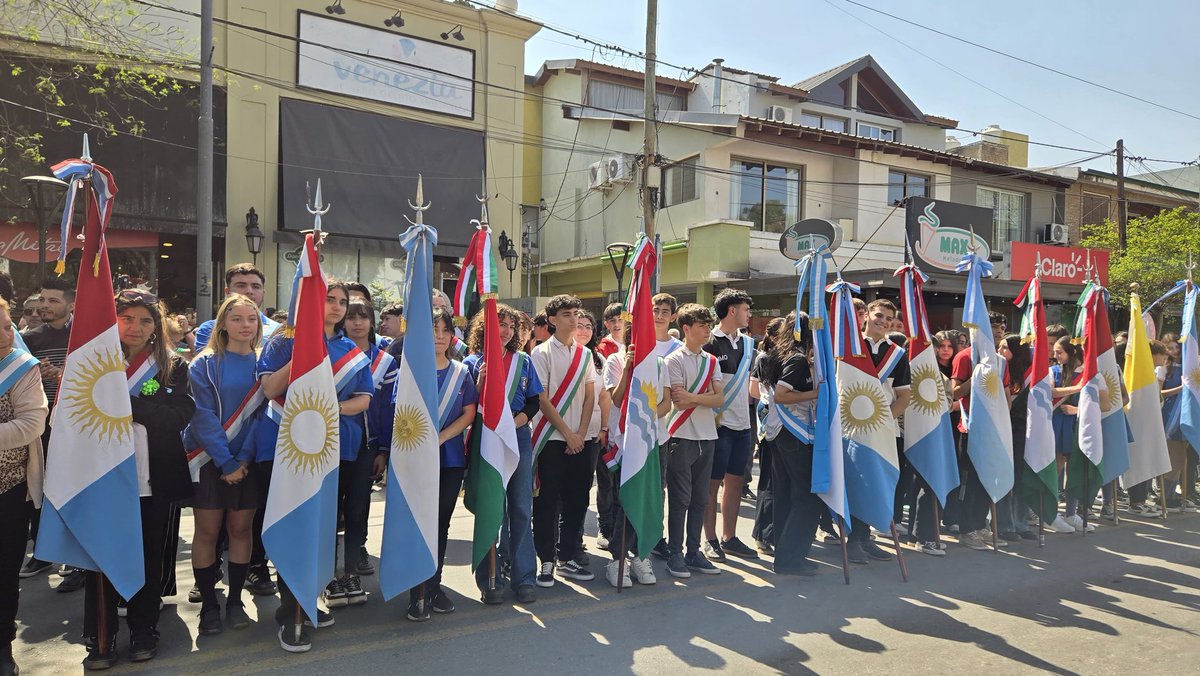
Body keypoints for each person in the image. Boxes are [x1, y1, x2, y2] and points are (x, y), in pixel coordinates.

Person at [256, 279, 372, 652]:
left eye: (342, 301)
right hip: (284, 450)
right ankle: (291, 611)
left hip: (330, 450)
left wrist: (329, 409)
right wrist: (304, 353)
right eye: (329, 299)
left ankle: (306, 598)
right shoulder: (282, 341)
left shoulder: (348, 349)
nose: (337, 307)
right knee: (292, 524)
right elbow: (269, 389)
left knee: (321, 529)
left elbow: (364, 399)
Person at [84, 290, 195, 668]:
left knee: (148, 556)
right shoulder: (93, 362)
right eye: (127, 318)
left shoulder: (173, 367)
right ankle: (99, 637)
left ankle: (144, 629)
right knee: (100, 557)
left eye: (145, 321)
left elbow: (178, 417)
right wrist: (148, 409)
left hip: (152, 478)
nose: (136, 327)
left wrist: (122, 402)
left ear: (157, 327)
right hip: (100, 476)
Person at [183, 294, 264, 636]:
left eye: (252, 319)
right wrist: (226, 461)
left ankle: (234, 600)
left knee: (241, 531)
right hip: (209, 459)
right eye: (237, 319)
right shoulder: (203, 365)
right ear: (222, 324)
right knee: (207, 532)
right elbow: (200, 416)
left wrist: (243, 458)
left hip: (248, 461)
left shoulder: (265, 363)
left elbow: (263, 416)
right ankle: (209, 607)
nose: (245, 326)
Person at [463, 304, 543, 604]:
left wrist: (514, 423)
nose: (507, 329)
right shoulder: (472, 362)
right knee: (490, 508)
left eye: (511, 324)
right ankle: (489, 579)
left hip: (518, 437)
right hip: (486, 439)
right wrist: (481, 384)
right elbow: (468, 407)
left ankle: (524, 576)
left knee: (521, 507)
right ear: (485, 327)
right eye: (500, 323)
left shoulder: (523, 361)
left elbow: (534, 402)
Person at [403, 308, 477, 621]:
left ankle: (434, 585)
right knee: (416, 522)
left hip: (449, 459)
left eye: (445, 331)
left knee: (440, 522)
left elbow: (469, 412)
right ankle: (414, 588)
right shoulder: (410, 369)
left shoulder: (461, 372)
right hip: (413, 458)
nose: (439, 336)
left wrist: (442, 437)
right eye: (434, 330)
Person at [529, 295, 595, 587]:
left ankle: (567, 554)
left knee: (577, 499)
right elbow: (541, 398)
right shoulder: (541, 353)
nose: (573, 319)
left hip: (582, 438)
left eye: (576, 313)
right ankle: (545, 558)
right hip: (551, 439)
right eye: (566, 314)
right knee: (547, 501)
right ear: (553, 320)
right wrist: (567, 433)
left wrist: (580, 432)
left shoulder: (586, 354)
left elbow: (591, 394)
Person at [601, 318, 671, 588]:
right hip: (626, 442)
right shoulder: (615, 361)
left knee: (650, 496)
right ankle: (618, 560)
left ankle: (641, 556)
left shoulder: (660, 363)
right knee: (627, 499)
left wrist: (646, 421)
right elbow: (617, 399)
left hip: (653, 440)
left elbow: (665, 402)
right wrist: (629, 366)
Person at [0, 297, 48, 676]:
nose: (5, 334)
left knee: (3, 575)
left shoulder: (20, 368)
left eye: (6, 325)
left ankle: (2, 646)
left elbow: (31, 425)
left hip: (9, 490)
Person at [19, 277, 76, 586]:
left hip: (78, 425)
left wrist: (65, 375)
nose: (44, 306)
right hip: (41, 426)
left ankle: (75, 556)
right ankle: (43, 552)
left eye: (53, 301)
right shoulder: (30, 339)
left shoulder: (86, 334)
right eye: (42, 300)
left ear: (70, 305)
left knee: (75, 488)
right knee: (40, 490)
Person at [756, 312, 823, 575]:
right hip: (793, 432)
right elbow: (782, 396)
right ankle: (791, 558)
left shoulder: (785, 354)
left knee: (786, 495)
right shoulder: (796, 358)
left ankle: (785, 556)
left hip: (782, 433)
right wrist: (816, 393)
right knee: (806, 498)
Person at [662, 304, 725, 579]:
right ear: (686, 329)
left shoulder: (712, 361)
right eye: (701, 325)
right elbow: (678, 399)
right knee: (680, 498)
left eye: (708, 325)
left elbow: (720, 399)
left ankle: (694, 551)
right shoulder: (673, 360)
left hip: (707, 436)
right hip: (680, 436)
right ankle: (675, 552)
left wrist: (696, 398)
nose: (707, 330)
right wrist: (705, 398)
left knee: (701, 498)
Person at [846, 299, 909, 564]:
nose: (882, 321)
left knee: (876, 484)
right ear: (866, 316)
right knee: (853, 483)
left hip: (882, 431)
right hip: (850, 429)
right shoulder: (848, 346)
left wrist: (882, 423)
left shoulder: (897, 354)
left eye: (888, 318)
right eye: (878, 315)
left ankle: (864, 538)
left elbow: (904, 396)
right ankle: (852, 539)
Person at [703, 289, 759, 561]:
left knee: (735, 482)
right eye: (746, 309)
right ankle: (709, 538)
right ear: (732, 311)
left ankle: (730, 537)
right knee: (711, 485)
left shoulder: (749, 344)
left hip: (743, 424)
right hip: (717, 425)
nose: (749, 314)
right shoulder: (710, 341)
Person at [343, 299, 396, 580]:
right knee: (329, 508)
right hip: (330, 443)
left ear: (372, 322)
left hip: (367, 444)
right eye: (351, 316)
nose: (357, 322)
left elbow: (389, 408)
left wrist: (383, 450)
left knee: (358, 505)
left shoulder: (385, 361)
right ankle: (325, 568)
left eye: (364, 316)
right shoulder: (330, 354)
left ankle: (353, 559)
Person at [571, 310, 610, 567]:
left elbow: (604, 396)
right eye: (580, 325)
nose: (584, 331)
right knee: (567, 492)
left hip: (594, 433)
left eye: (589, 326)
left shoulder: (597, 359)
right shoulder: (564, 355)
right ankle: (568, 541)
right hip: (569, 431)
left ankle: (576, 537)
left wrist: (605, 428)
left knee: (583, 489)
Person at [749, 317, 785, 555]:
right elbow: (755, 391)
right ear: (772, 336)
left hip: (782, 425)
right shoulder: (765, 359)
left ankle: (777, 530)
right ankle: (764, 533)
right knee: (770, 482)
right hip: (772, 425)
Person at [996, 334, 1037, 541]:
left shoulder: (1032, 373)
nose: (1000, 352)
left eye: (1004, 348)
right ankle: (1003, 524)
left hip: (1024, 430)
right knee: (1004, 477)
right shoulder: (997, 371)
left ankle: (1020, 523)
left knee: (1020, 478)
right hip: (1003, 428)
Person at [193, 264, 279, 353]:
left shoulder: (278, 331)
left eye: (256, 286)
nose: (249, 291)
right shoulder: (209, 329)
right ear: (227, 292)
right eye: (241, 286)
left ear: (263, 292)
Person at [1050, 336, 1086, 533]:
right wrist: (1078, 387)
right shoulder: (1053, 371)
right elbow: (1051, 391)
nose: (1055, 356)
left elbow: (1100, 403)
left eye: (1059, 352)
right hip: (1058, 424)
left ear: (1072, 352)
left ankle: (1071, 513)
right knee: (1056, 468)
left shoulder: (1088, 372)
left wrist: (1077, 409)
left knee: (1075, 470)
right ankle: (1052, 514)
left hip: (1078, 424)